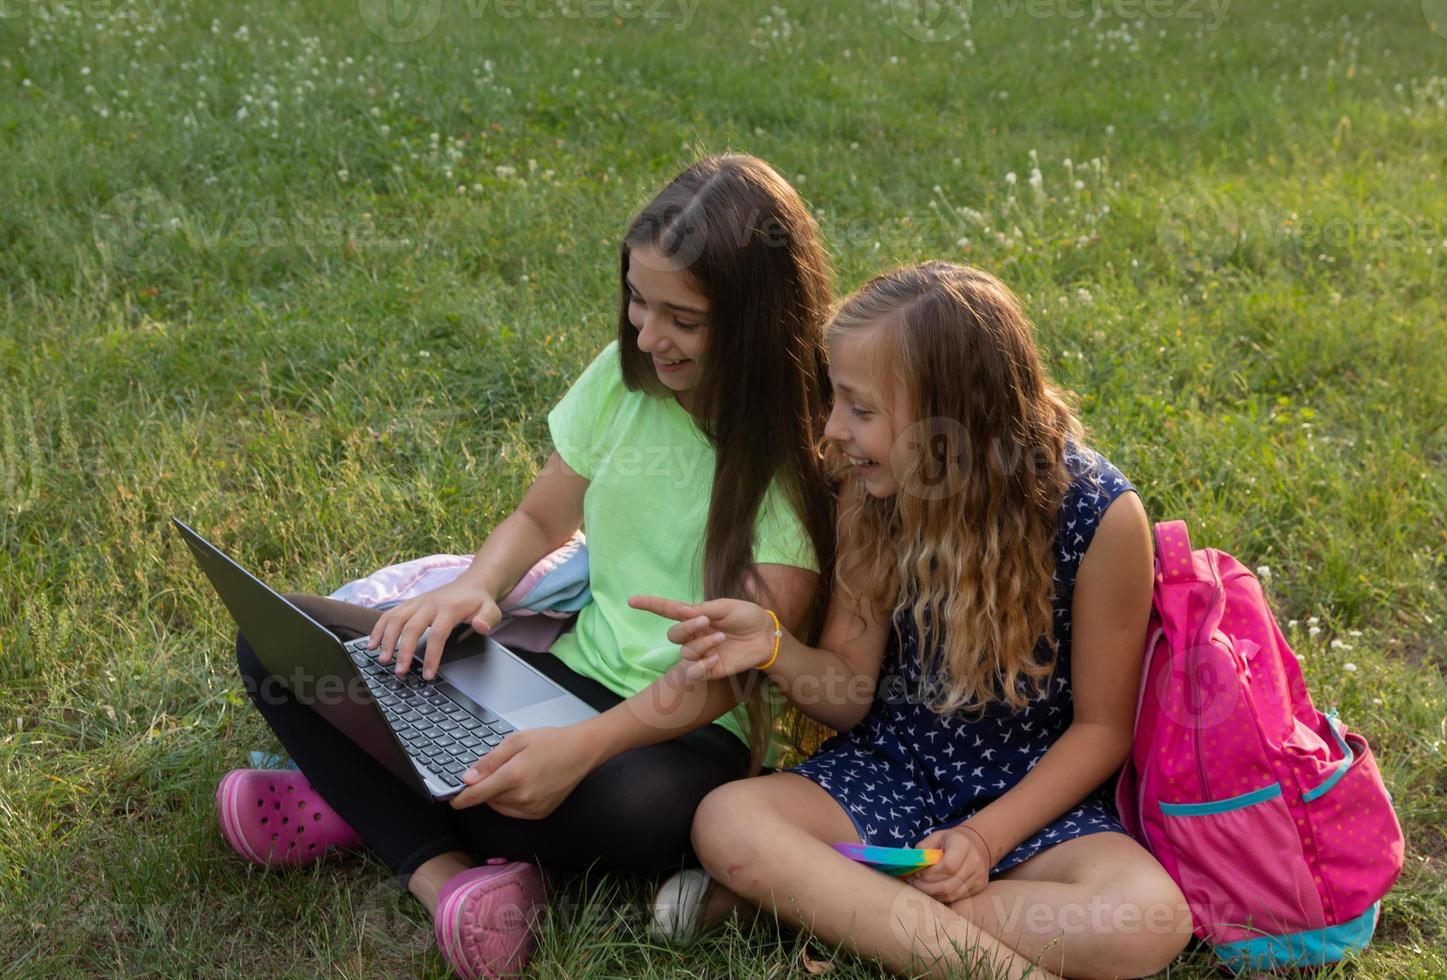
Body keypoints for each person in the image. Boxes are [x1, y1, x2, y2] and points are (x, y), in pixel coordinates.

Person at [218, 154, 837, 978]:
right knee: (279, 639)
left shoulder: (799, 473)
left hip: (670, 738)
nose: (650, 336)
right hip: (553, 680)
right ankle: (444, 878)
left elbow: (721, 678)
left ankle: (357, 803)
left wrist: (578, 752)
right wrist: (474, 584)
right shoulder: (629, 382)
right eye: (637, 301)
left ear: (757, 321)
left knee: (638, 814)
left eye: (682, 318)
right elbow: (544, 515)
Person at [634, 261, 1192, 979]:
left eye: (860, 410)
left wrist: (985, 841)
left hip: (1031, 802)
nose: (833, 429)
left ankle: (827, 904)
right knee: (727, 820)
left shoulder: (1100, 516)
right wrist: (774, 648)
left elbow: (1100, 730)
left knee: (1146, 918)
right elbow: (846, 694)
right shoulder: (871, 495)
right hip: (887, 773)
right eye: (838, 400)